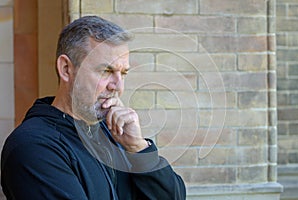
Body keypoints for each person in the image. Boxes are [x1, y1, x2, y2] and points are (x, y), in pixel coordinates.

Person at [1, 16, 186, 199]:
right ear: (66, 69)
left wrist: (137, 148)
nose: (118, 86)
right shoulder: (33, 147)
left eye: (123, 73)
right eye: (106, 71)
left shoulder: (114, 135)